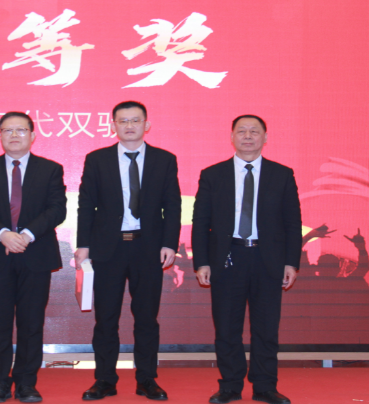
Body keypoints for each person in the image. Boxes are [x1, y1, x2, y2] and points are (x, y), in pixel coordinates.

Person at [75, 101, 181, 401]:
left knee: (146, 318)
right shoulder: (97, 159)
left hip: (148, 248)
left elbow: (172, 205)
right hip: (108, 249)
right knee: (106, 318)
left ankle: (147, 379)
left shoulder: (164, 159)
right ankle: (104, 380)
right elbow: (86, 205)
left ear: (147, 124)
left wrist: (169, 243)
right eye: (123, 121)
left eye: (135, 120)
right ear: (113, 125)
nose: (129, 126)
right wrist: (84, 245)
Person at [191, 115, 302, 404]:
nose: (248, 136)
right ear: (232, 137)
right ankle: (230, 385)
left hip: (268, 259)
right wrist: (202, 262)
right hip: (228, 258)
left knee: (266, 327)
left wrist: (291, 262)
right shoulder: (213, 175)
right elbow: (201, 222)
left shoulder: (282, 174)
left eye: (255, 131)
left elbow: (292, 222)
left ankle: (265, 386)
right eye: (242, 131)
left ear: (266, 137)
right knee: (227, 327)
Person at [0, 112, 67, 403]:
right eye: (7, 130)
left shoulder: (50, 169)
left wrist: (26, 235)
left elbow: (56, 209)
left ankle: (26, 383)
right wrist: (3, 234)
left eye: (20, 130)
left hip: (36, 254)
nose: (13, 135)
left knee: (31, 322)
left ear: (32, 135)